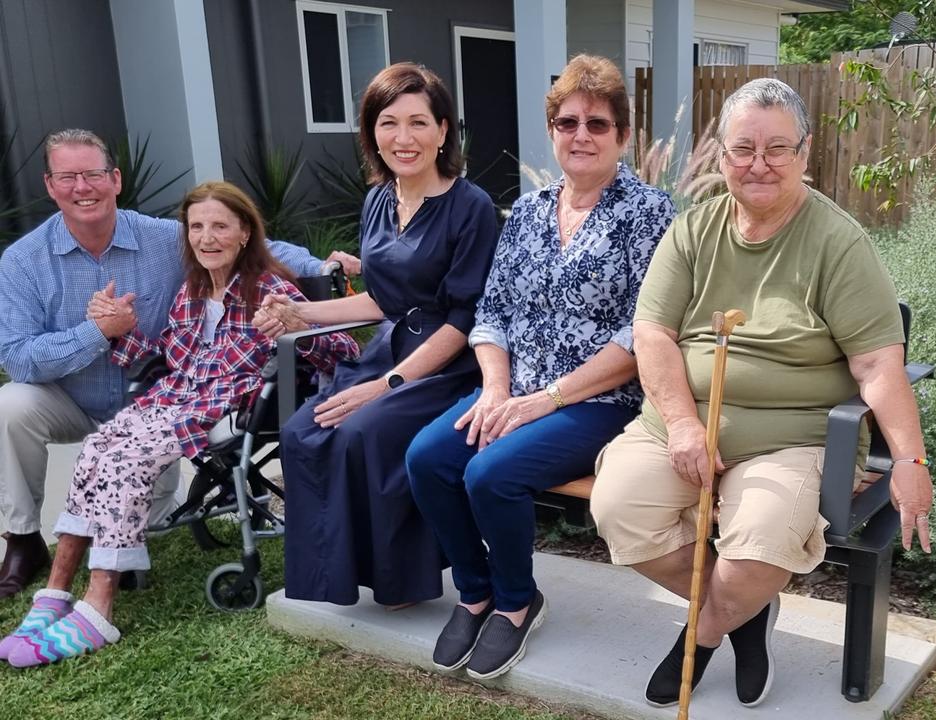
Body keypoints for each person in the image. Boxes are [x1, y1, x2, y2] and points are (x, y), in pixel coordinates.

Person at [589, 78, 934, 708]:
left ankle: (700, 637)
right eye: (743, 148)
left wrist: (909, 460)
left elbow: (881, 363)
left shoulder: (837, 242)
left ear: (805, 154)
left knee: (758, 552)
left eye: (778, 149)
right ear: (721, 155)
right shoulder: (694, 230)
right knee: (619, 508)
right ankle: (745, 616)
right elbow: (653, 332)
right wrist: (685, 425)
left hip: (792, 438)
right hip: (680, 425)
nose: (759, 164)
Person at [0, 181, 358, 667]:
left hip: (226, 410)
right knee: (97, 448)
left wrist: (298, 327)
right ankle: (55, 594)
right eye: (196, 227)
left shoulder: (269, 290)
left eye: (219, 227)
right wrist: (118, 333)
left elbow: (345, 351)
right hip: (173, 400)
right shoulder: (191, 293)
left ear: (245, 234)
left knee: (125, 460)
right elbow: (169, 364)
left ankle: (98, 607)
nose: (206, 237)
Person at [403, 55, 675, 680]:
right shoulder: (526, 212)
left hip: (598, 405)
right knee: (428, 457)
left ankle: (519, 602)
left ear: (623, 136)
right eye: (568, 122)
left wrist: (544, 400)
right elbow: (492, 310)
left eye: (598, 124)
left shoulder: (650, 215)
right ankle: (476, 593)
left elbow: (640, 334)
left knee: (492, 473)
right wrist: (496, 388)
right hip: (515, 391)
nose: (581, 135)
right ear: (552, 130)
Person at [256, 63, 498, 607]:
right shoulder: (378, 200)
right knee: (301, 432)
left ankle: (401, 582)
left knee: (363, 431)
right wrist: (300, 314)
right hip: (390, 346)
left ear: (442, 131)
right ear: (372, 133)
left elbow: (464, 320)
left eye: (418, 123)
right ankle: (338, 577)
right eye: (389, 123)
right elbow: (386, 298)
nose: (403, 138)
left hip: (447, 364)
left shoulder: (470, 207)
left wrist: (386, 384)